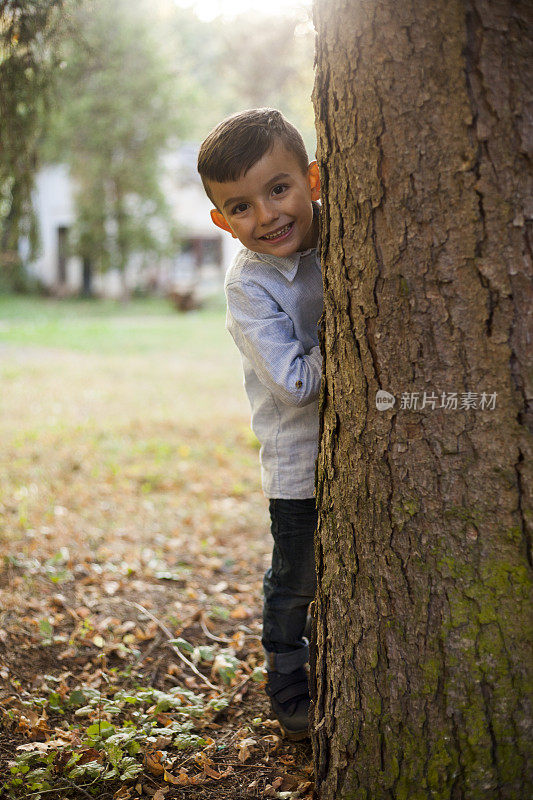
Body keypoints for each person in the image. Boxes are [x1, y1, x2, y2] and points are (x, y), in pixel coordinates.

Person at [197, 108, 323, 740]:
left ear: (314, 181)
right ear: (222, 221)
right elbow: (297, 384)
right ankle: (286, 679)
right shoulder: (249, 289)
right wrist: (360, 330)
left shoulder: (339, 239)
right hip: (298, 460)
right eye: (241, 206)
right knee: (296, 576)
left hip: (356, 453)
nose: (267, 215)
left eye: (279, 189)